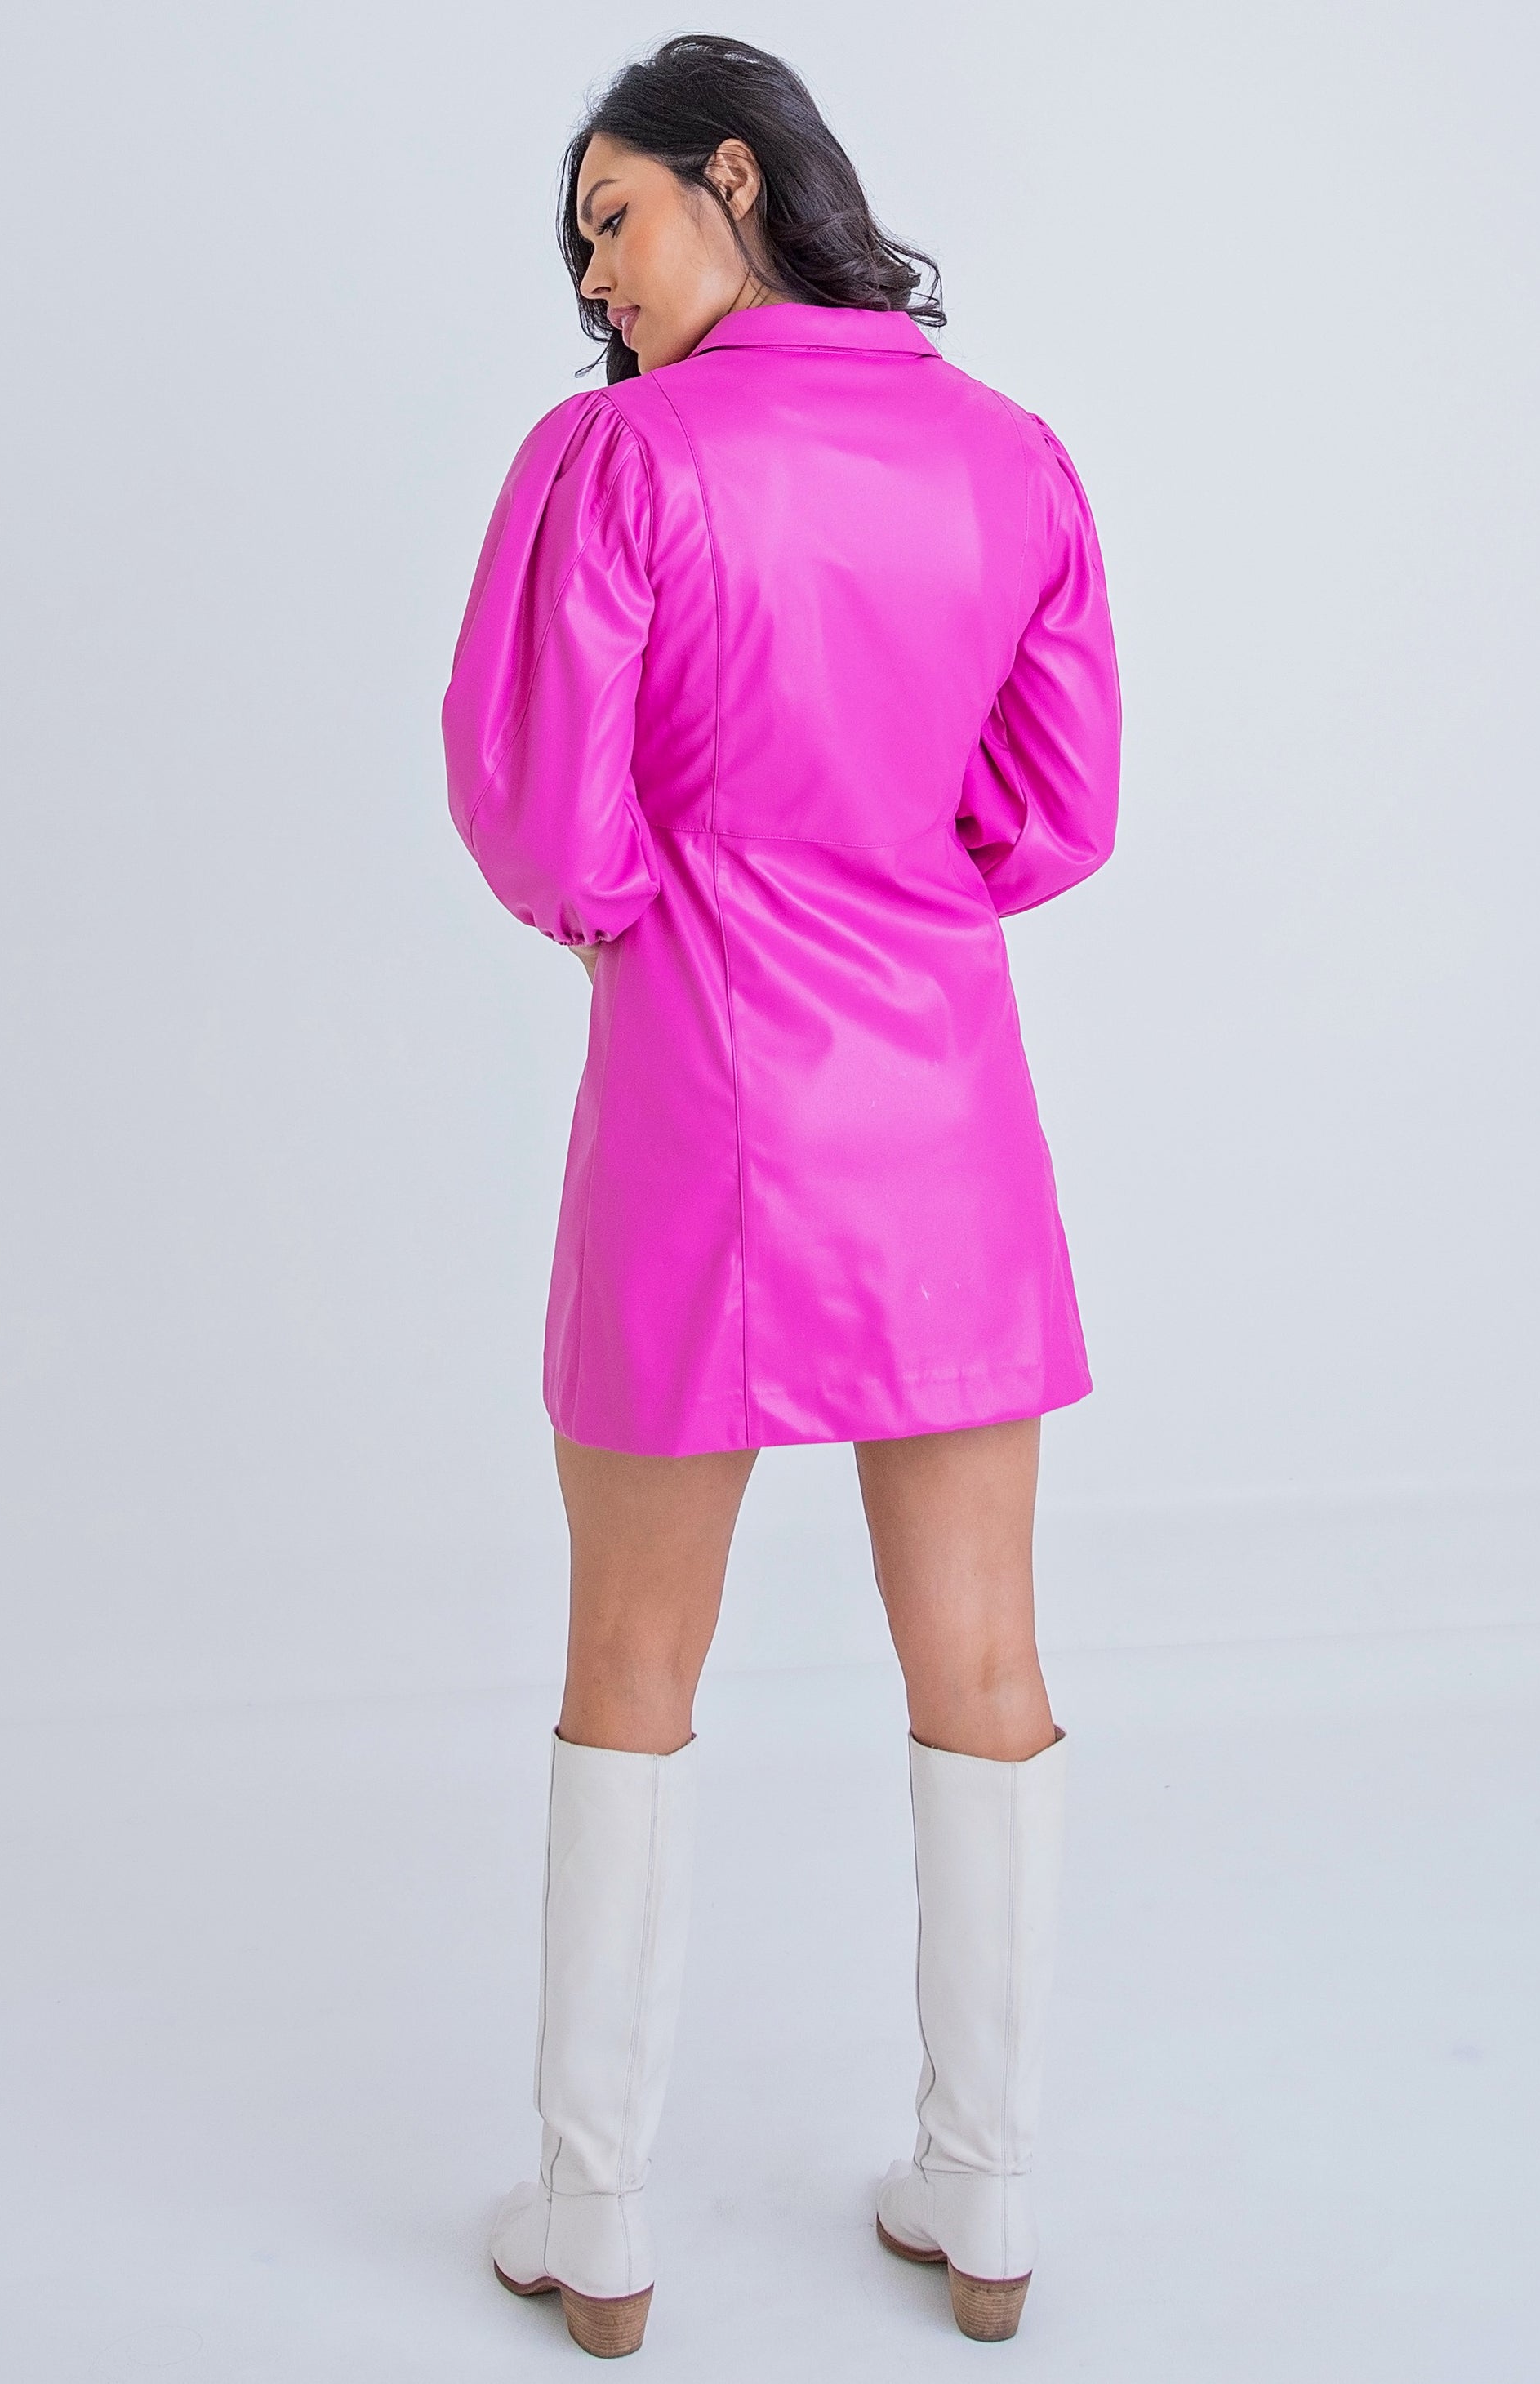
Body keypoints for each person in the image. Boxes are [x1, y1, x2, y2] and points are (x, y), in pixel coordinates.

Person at [440, 32, 1121, 2360]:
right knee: (987, 1656)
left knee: (631, 1660)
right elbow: (1054, 816)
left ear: (733, 174)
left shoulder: (619, 462)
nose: (593, 277)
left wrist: (670, 903)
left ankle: (598, 2214)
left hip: (700, 1110)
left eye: (612, 217)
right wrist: (882, 884)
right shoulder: (1013, 456)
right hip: (946, 1122)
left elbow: (553, 830)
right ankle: (987, 2186)